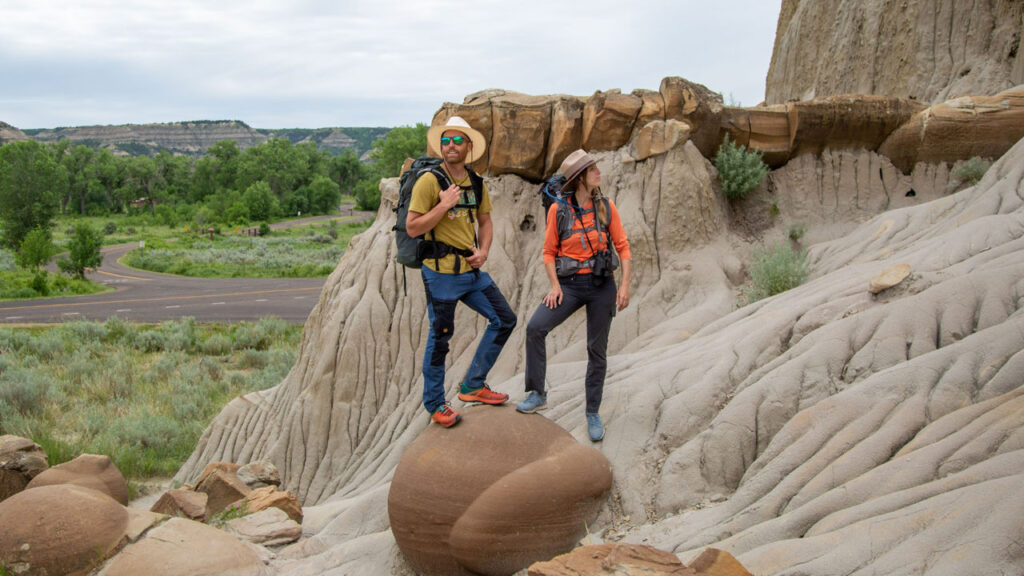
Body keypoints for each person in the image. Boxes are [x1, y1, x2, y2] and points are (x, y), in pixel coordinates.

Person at [406, 116, 517, 428]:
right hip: (440, 274)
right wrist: (443, 206)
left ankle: (473, 386)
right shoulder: (429, 181)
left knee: (505, 319)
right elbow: (413, 228)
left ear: (469, 146)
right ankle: (435, 404)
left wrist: (484, 252)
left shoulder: (476, 181)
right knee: (440, 338)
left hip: (470, 271)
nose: (450, 146)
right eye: (445, 140)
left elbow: (485, 221)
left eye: (457, 140)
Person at [516, 149, 631, 442]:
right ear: (580, 177)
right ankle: (537, 392)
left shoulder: (606, 206)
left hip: (602, 285)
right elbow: (548, 252)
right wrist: (554, 286)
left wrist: (625, 285)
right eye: (593, 169)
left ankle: (593, 412)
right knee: (535, 328)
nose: (598, 173)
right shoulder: (559, 210)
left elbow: (623, 246)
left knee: (597, 351)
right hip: (569, 285)